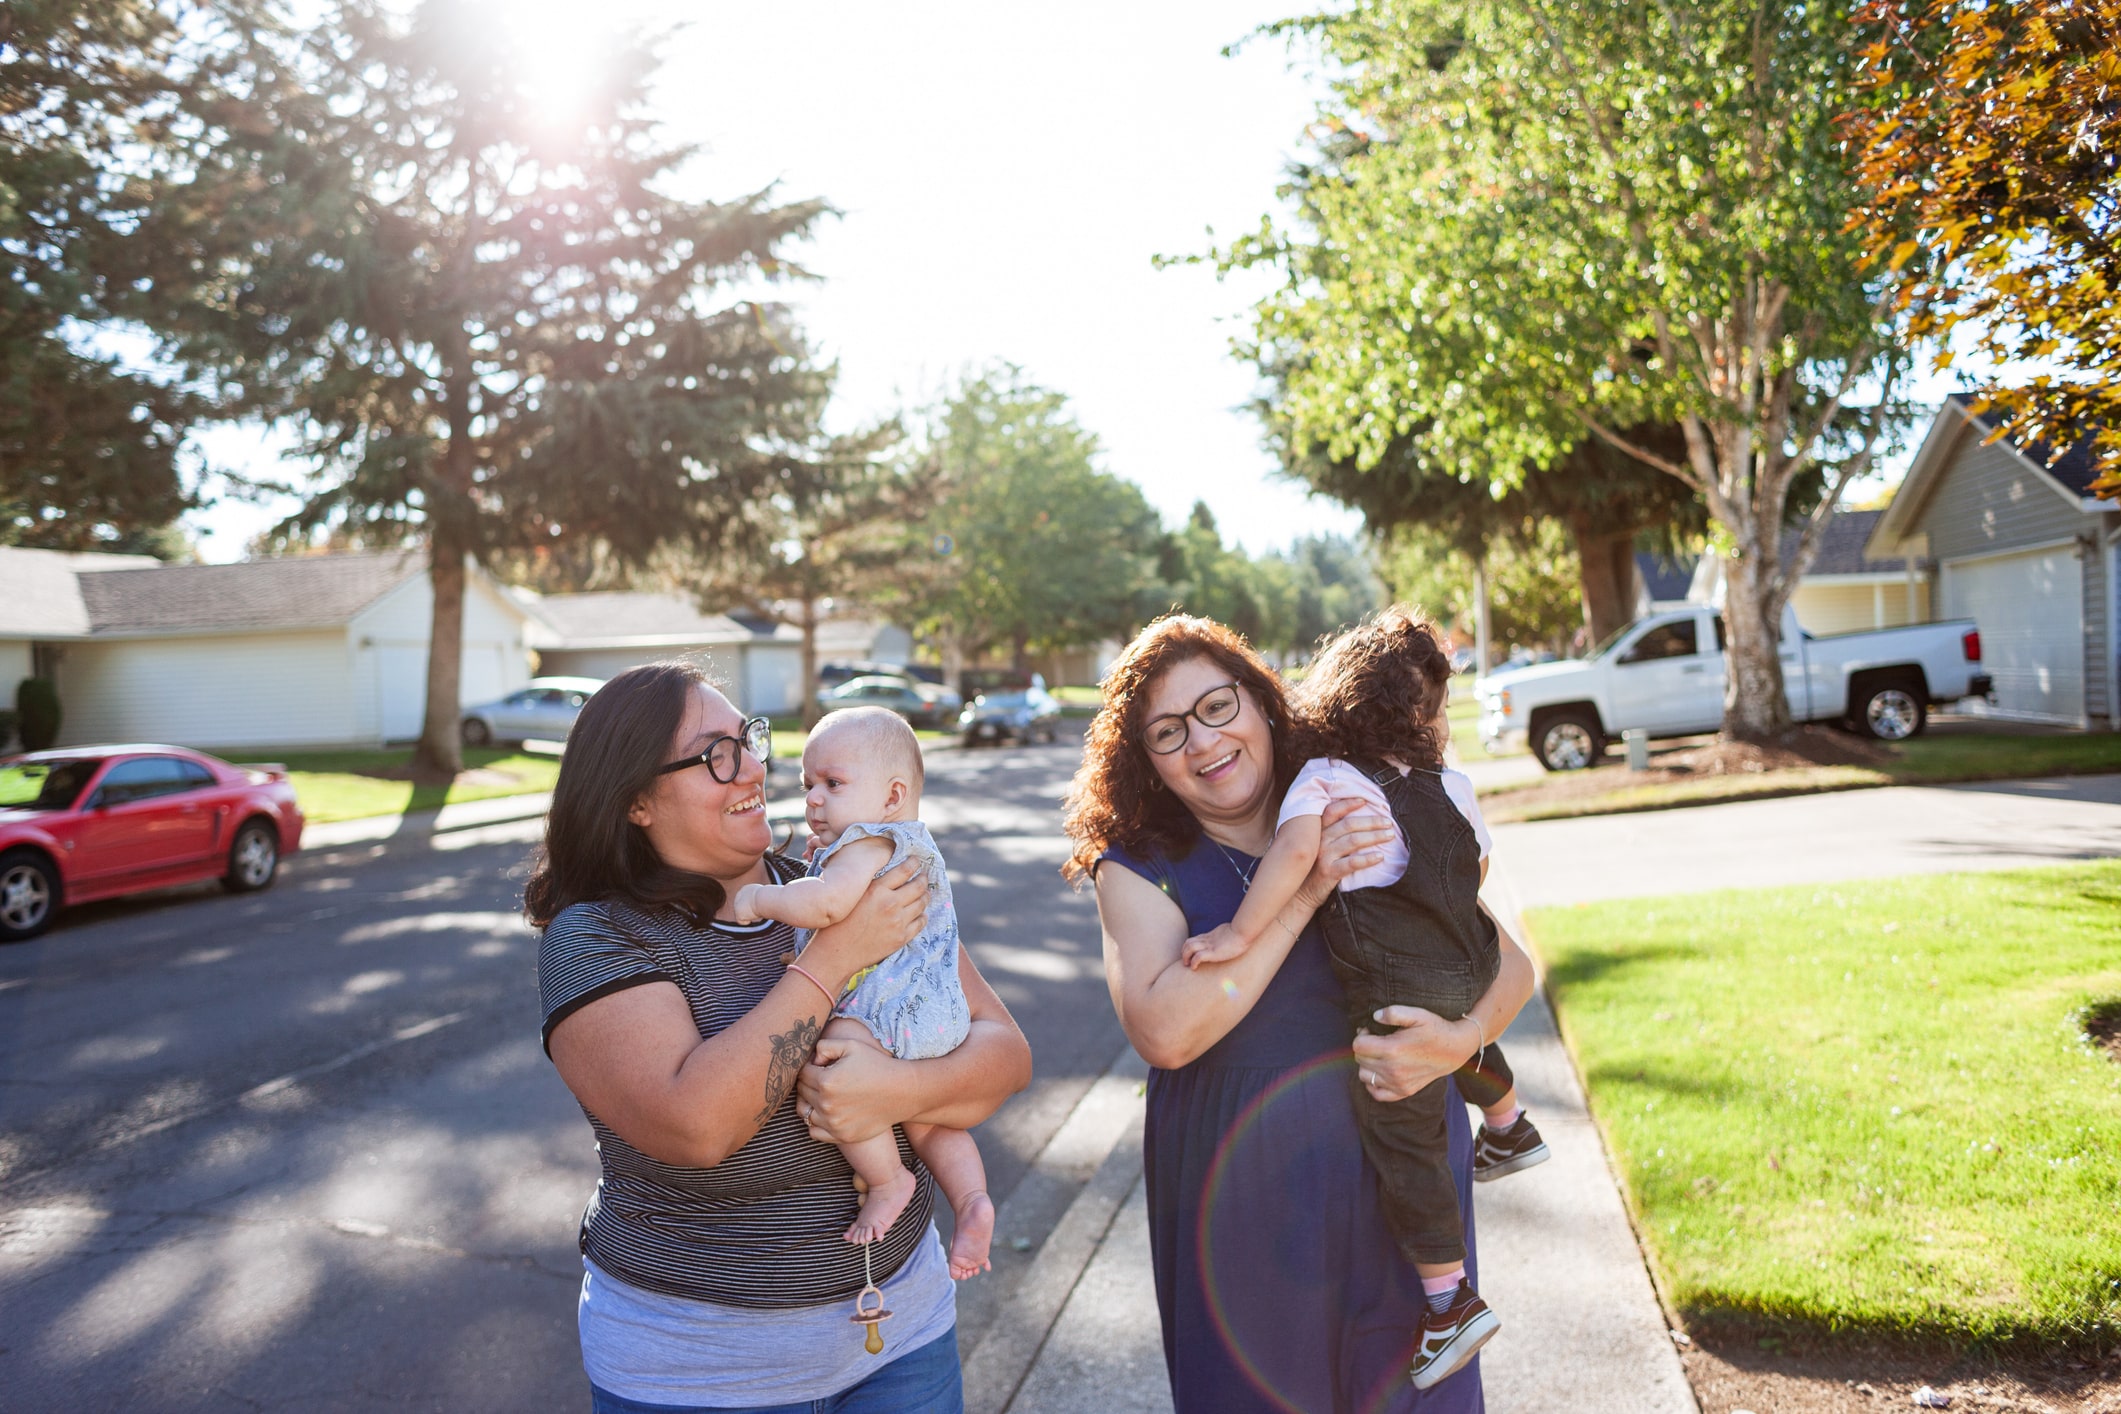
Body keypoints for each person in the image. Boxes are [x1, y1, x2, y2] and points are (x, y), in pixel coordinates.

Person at [1063, 614, 1537, 1412]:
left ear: (1259, 700)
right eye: (1167, 732)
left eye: (1217, 707)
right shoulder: (1140, 868)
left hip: (1400, 1186)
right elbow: (1166, 1032)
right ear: (1142, 759)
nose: (1202, 742)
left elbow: (1510, 966)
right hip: (1238, 1195)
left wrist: (1456, 1042)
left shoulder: (1353, 794)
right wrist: (1307, 889)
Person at [528, 662, 1031, 1414]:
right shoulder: (598, 936)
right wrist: (835, 954)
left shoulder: (849, 878)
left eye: (748, 740)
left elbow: (1004, 1056)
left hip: (906, 1340)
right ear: (635, 799)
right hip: (703, 1375)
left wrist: (895, 1091)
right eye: (716, 754)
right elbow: (694, 1125)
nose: (754, 768)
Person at [732, 706, 996, 1280]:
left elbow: (827, 905)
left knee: (837, 1055)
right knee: (928, 1121)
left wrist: (762, 901)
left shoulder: (869, 843)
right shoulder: (908, 845)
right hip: (939, 1015)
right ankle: (972, 1198)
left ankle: (887, 1179)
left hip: (889, 1016)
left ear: (892, 796)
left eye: (832, 784)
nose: (813, 800)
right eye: (807, 785)